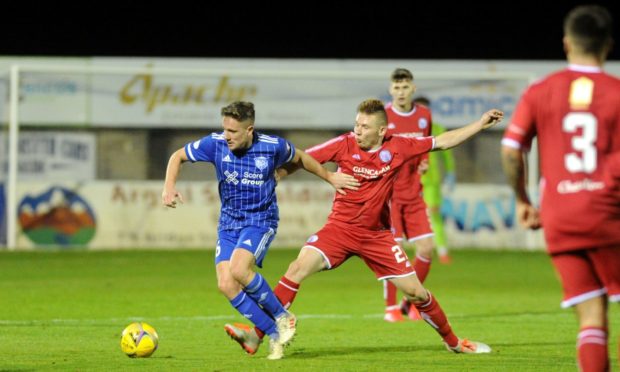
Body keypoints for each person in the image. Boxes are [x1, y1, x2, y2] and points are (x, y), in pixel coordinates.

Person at [226, 98, 503, 358]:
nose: (357, 131)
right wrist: (276, 176)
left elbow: (442, 141)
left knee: (417, 293)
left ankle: (454, 343)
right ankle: (256, 335)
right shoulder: (344, 144)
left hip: (377, 237)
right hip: (339, 230)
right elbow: (303, 159)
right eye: (356, 124)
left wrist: (479, 124)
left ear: (382, 130)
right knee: (296, 268)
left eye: (364, 127)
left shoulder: (399, 147)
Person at [161, 101, 359, 360]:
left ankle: (282, 316)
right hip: (229, 223)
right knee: (226, 283)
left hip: (260, 219)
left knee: (239, 269)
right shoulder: (215, 144)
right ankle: (273, 335)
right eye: (225, 129)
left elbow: (300, 157)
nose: (227, 136)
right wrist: (169, 186)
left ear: (249, 129)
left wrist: (330, 177)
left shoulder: (272, 146)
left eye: (233, 131)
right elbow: (178, 156)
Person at [501, 5, 620, 372]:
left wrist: (522, 199)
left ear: (567, 43)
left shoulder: (541, 90)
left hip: (561, 217)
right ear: (607, 45)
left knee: (591, 316)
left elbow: (510, 148)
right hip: (609, 214)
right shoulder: (616, 92)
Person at [382, 68, 438, 322]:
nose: (401, 92)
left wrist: (424, 161)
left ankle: (410, 299)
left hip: (414, 192)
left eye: (405, 87)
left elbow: (424, 145)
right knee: (395, 251)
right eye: (396, 87)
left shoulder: (424, 116)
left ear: (413, 89)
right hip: (390, 194)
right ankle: (391, 307)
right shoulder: (383, 116)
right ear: (390, 90)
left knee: (427, 247)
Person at [414, 96, 456, 265]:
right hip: (411, 179)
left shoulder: (437, 128)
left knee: (433, 214)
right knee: (412, 217)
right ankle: (421, 252)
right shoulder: (409, 128)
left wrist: (451, 173)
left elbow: (447, 155)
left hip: (431, 181)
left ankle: (442, 251)